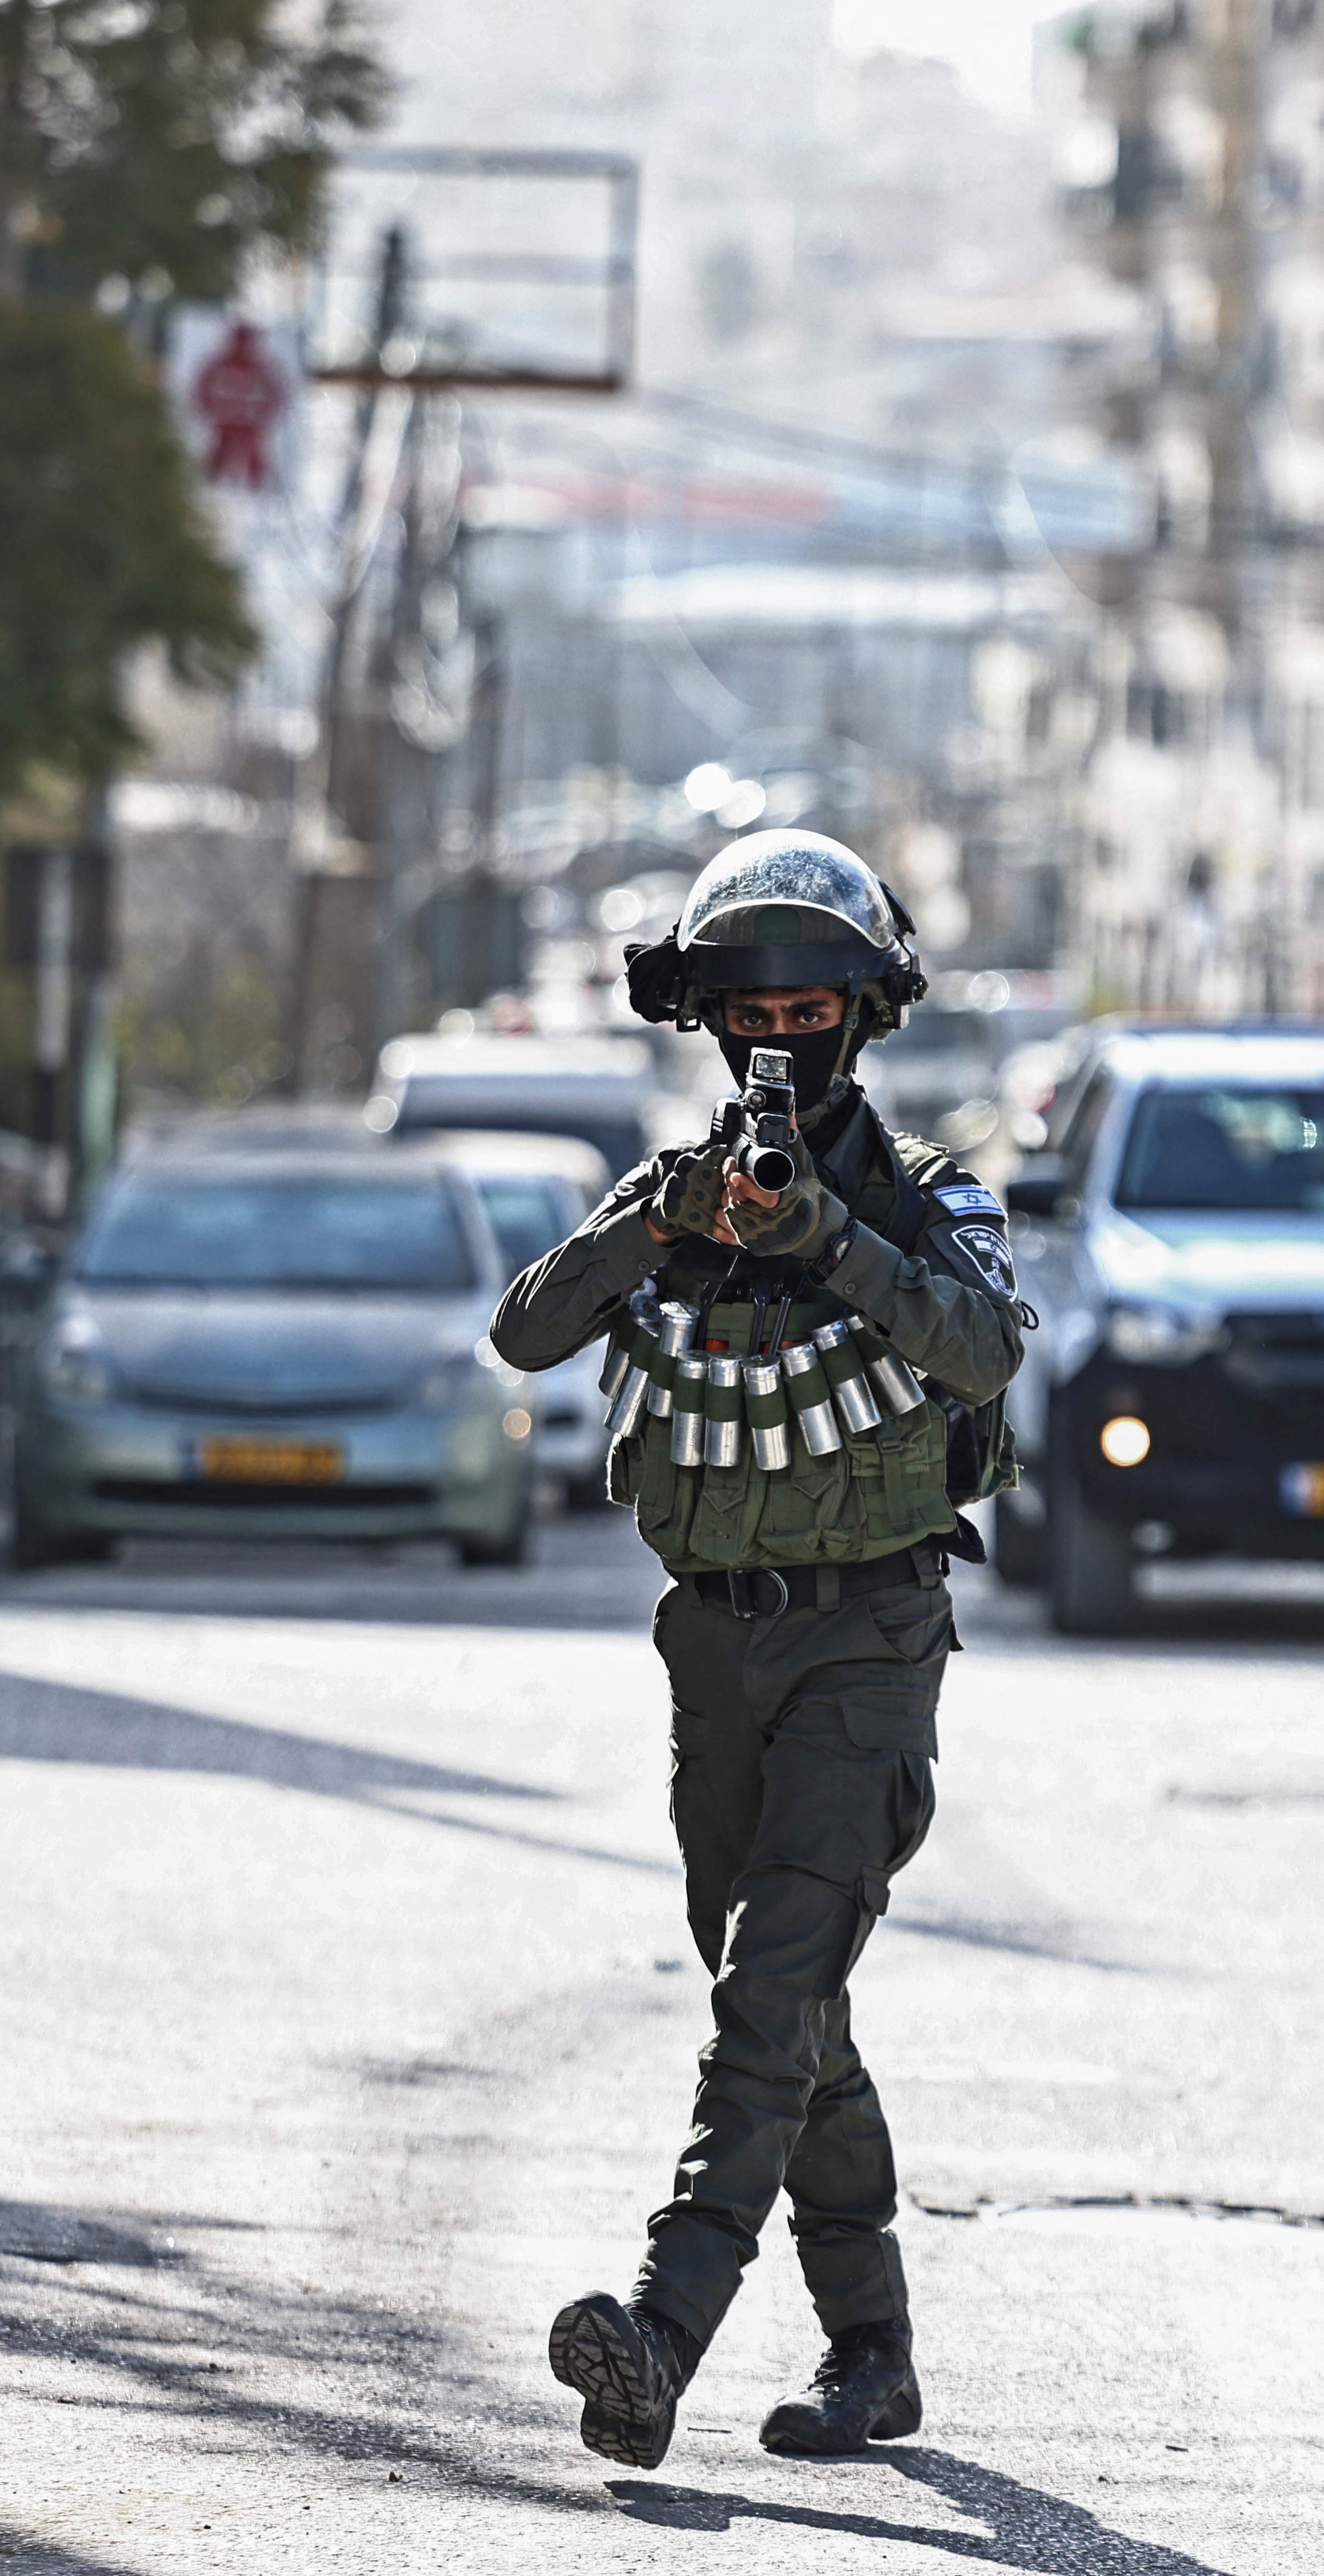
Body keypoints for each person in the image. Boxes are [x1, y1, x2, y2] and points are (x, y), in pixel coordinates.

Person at [490, 829, 1025, 2470]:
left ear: (864, 1021)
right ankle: (874, 2350)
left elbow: (988, 1345)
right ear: (715, 1027)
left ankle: (663, 2325)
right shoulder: (677, 1199)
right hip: (709, 1652)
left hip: (869, 1641)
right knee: (791, 2009)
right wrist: (665, 1227)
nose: (781, 1038)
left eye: (812, 1006)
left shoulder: (932, 1196)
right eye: (753, 1010)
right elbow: (525, 1328)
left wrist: (827, 1249)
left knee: (766, 1995)